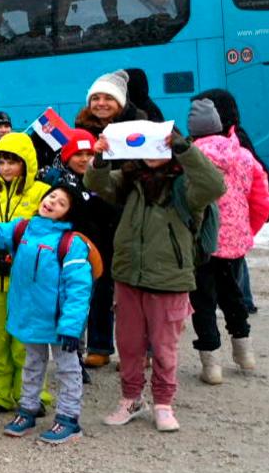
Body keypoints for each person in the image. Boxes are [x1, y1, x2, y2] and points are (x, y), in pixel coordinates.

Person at [86, 126, 225, 433]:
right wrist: (100, 158)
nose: (151, 153)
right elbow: (95, 183)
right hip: (128, 276)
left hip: (169, 279)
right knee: (129, 345)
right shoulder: (130, 179)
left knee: (164, 348)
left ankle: (163, 403)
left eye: (158, 145)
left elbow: (214, 185)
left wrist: (184, 149)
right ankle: (131, 399)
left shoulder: (186, 185)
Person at [0, 184, 96, 446]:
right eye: (52, 196)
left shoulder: (72, 243)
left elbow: (79, 288)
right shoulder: (23, 228)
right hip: (31, 316)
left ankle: (69, 419)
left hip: (59, 321)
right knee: (31, 364)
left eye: (61, 203)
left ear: (69, 213)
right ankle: (28, 409)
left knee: (67, 369)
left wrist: (71, 326)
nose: (52, 202)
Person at [187, 98, 269, 382]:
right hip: (234, 241)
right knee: (233, 295)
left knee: (203, 302)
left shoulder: (190, 157)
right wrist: (247, 230)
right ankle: (244, 352)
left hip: (202, 243)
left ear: (193, 130)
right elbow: (260, 197)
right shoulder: (244, 155)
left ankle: (211, 365)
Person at [0, 133, 50, 414]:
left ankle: (30, 394)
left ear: (26, 163)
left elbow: (45, 230)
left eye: (13, 162)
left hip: (28, 280)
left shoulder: (42, 192)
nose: (5, 168)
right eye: (1, 162)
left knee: (25, 342)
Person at [39, 130, 120, 369]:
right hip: (71, 252)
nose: (84, 159)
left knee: (102, 300)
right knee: (74, 302)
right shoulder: (60, 184)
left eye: (89, 153)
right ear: (67, 157)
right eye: (78, 154)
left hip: (102, 249)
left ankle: (100, 347)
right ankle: (75, 352)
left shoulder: (105, 180)